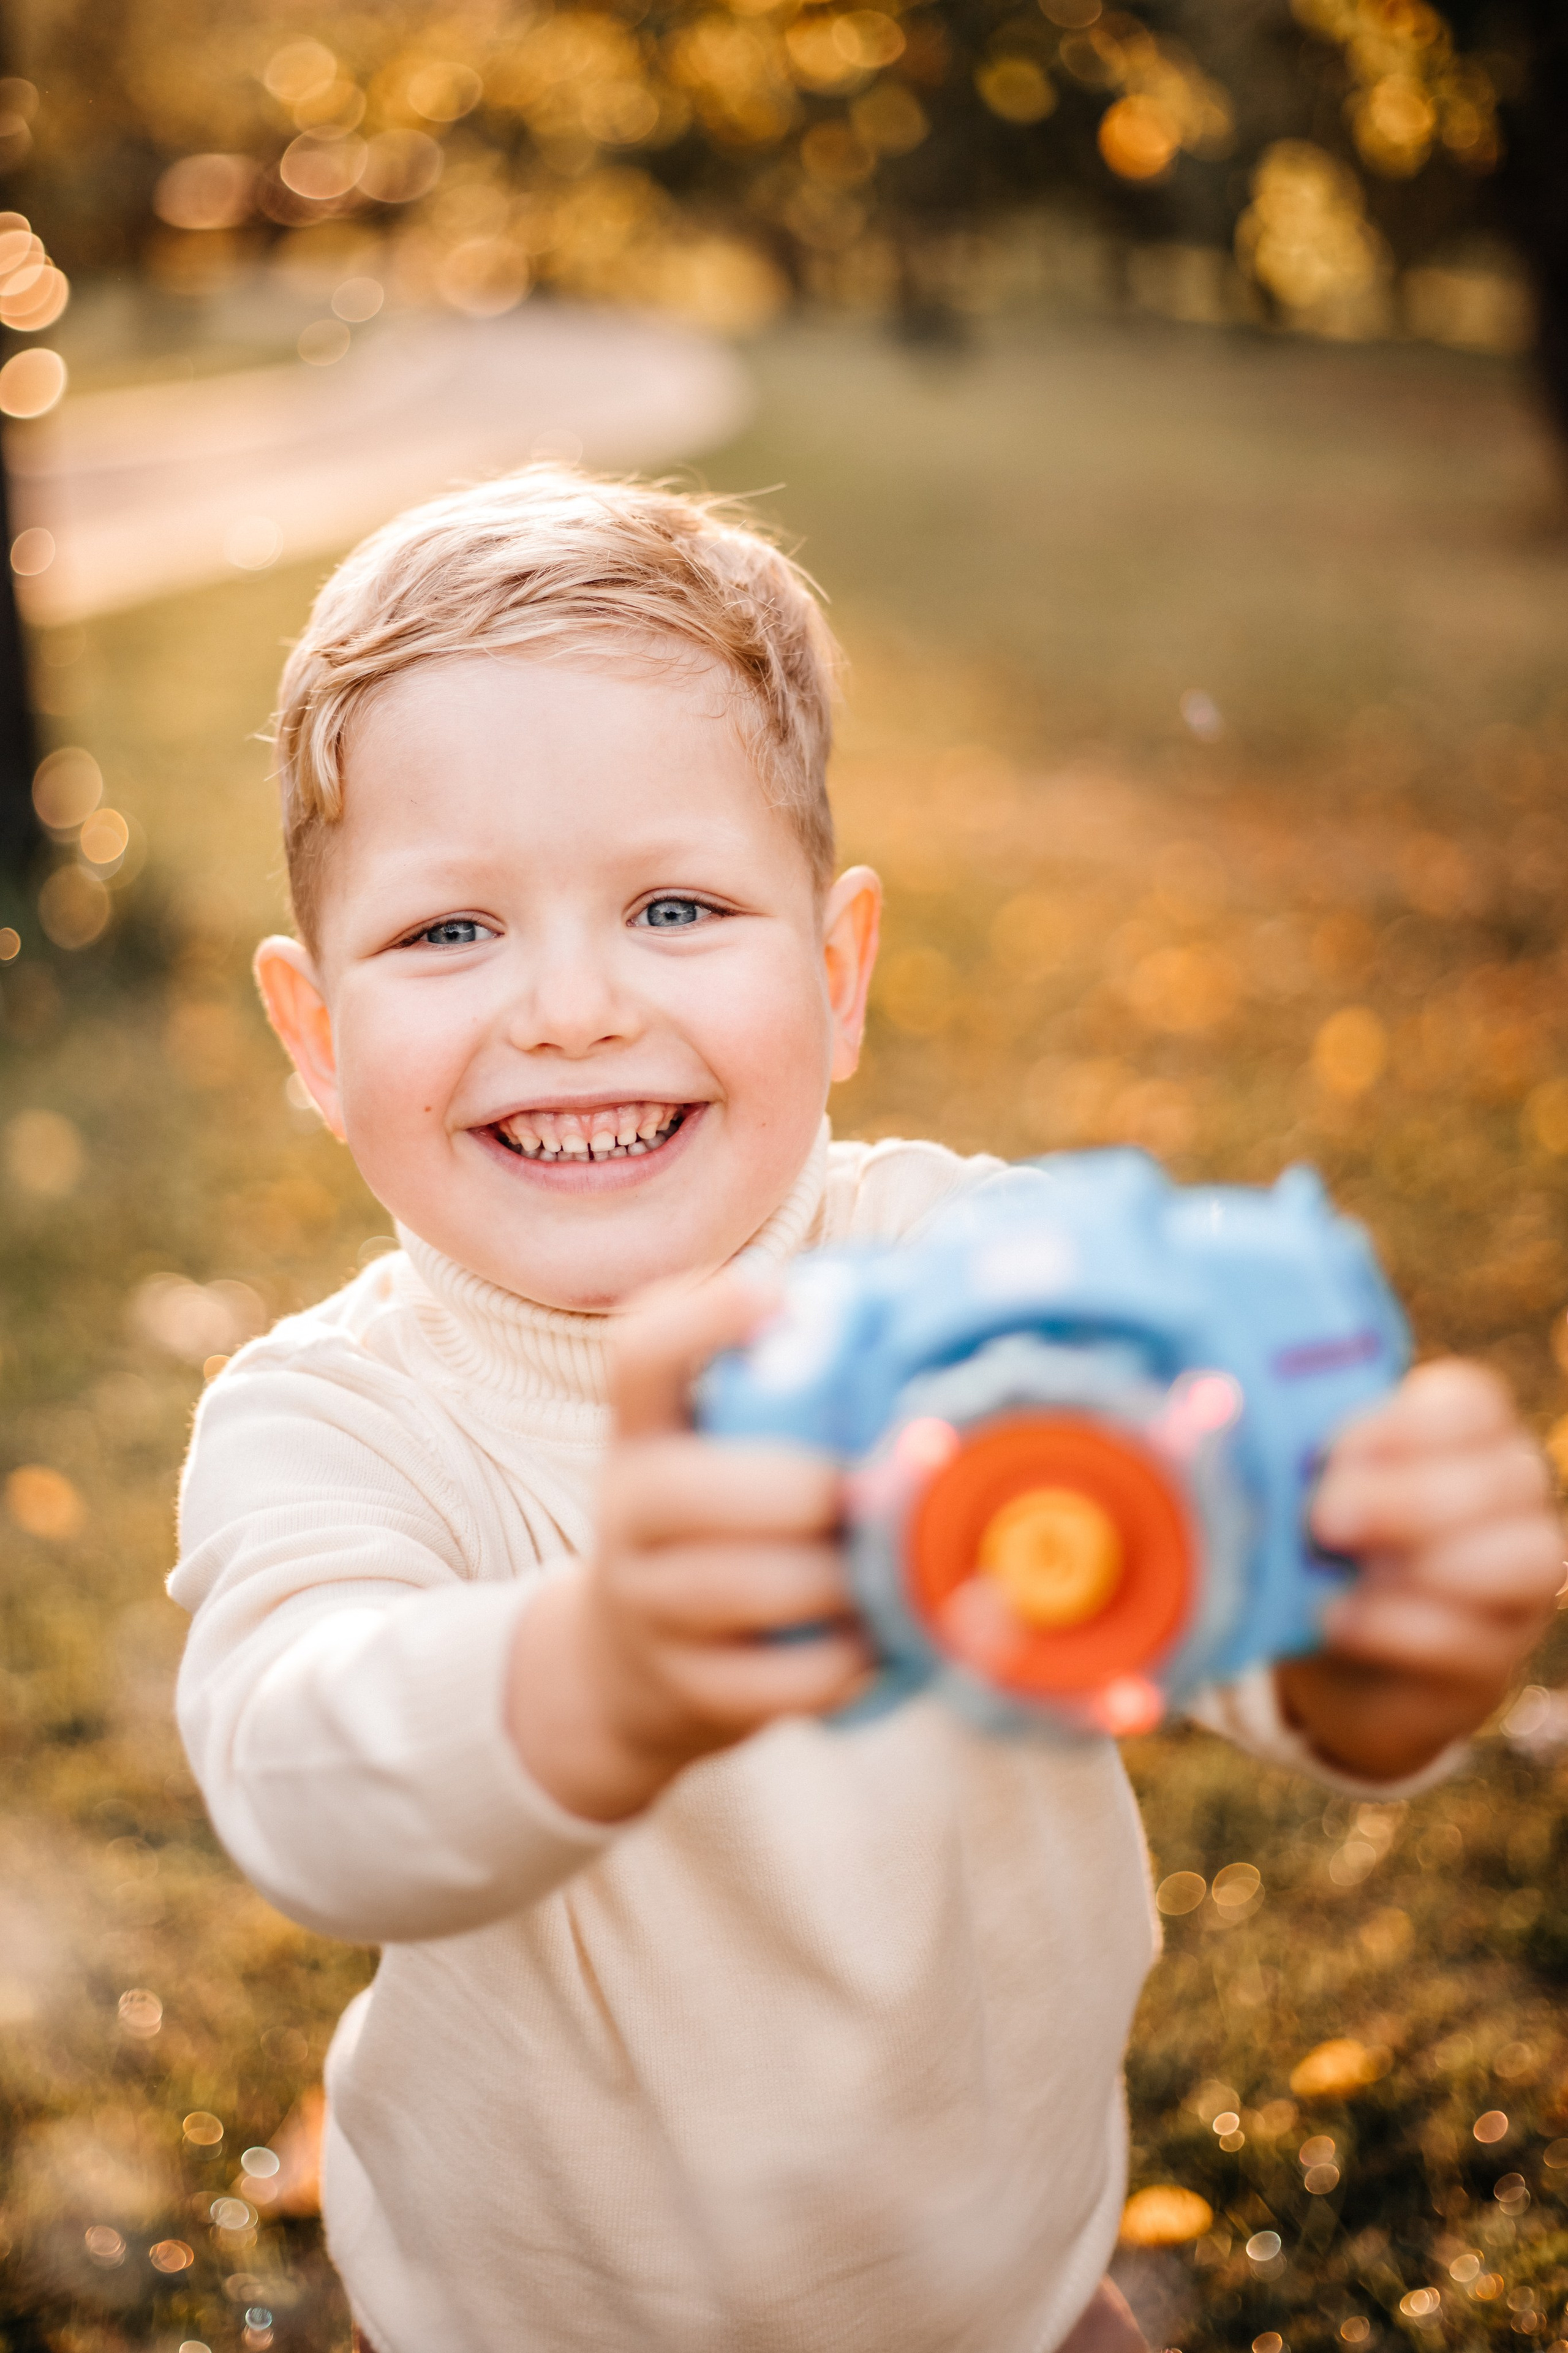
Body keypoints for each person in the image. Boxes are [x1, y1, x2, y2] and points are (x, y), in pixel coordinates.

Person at [170, 469, 1562, 2353]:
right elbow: (307, 1778)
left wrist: (1377, 1645)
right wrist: (606, 1664)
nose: (571, 1005)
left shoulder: (979, 1290)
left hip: (1003, 2285)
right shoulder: (330, 1421)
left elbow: (1252, 1604)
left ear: (834, 977)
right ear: (315, 1039)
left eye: (676, 904)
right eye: (447, 933)